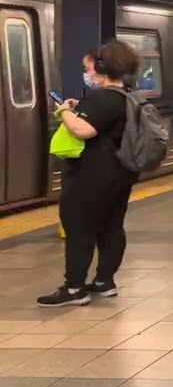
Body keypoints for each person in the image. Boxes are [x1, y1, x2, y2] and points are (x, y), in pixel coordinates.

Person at [38, 41, 142, 307]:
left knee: (78, 228)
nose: (87, 73)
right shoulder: (126, 96)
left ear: (101, 68)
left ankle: (74, 289)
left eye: (88, 68)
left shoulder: (104, 98)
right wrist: (78, 109)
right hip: (118, 175)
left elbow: (83, 130)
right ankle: (103, 282)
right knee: (111, 227)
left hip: (92, 176)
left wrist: (64, 112)